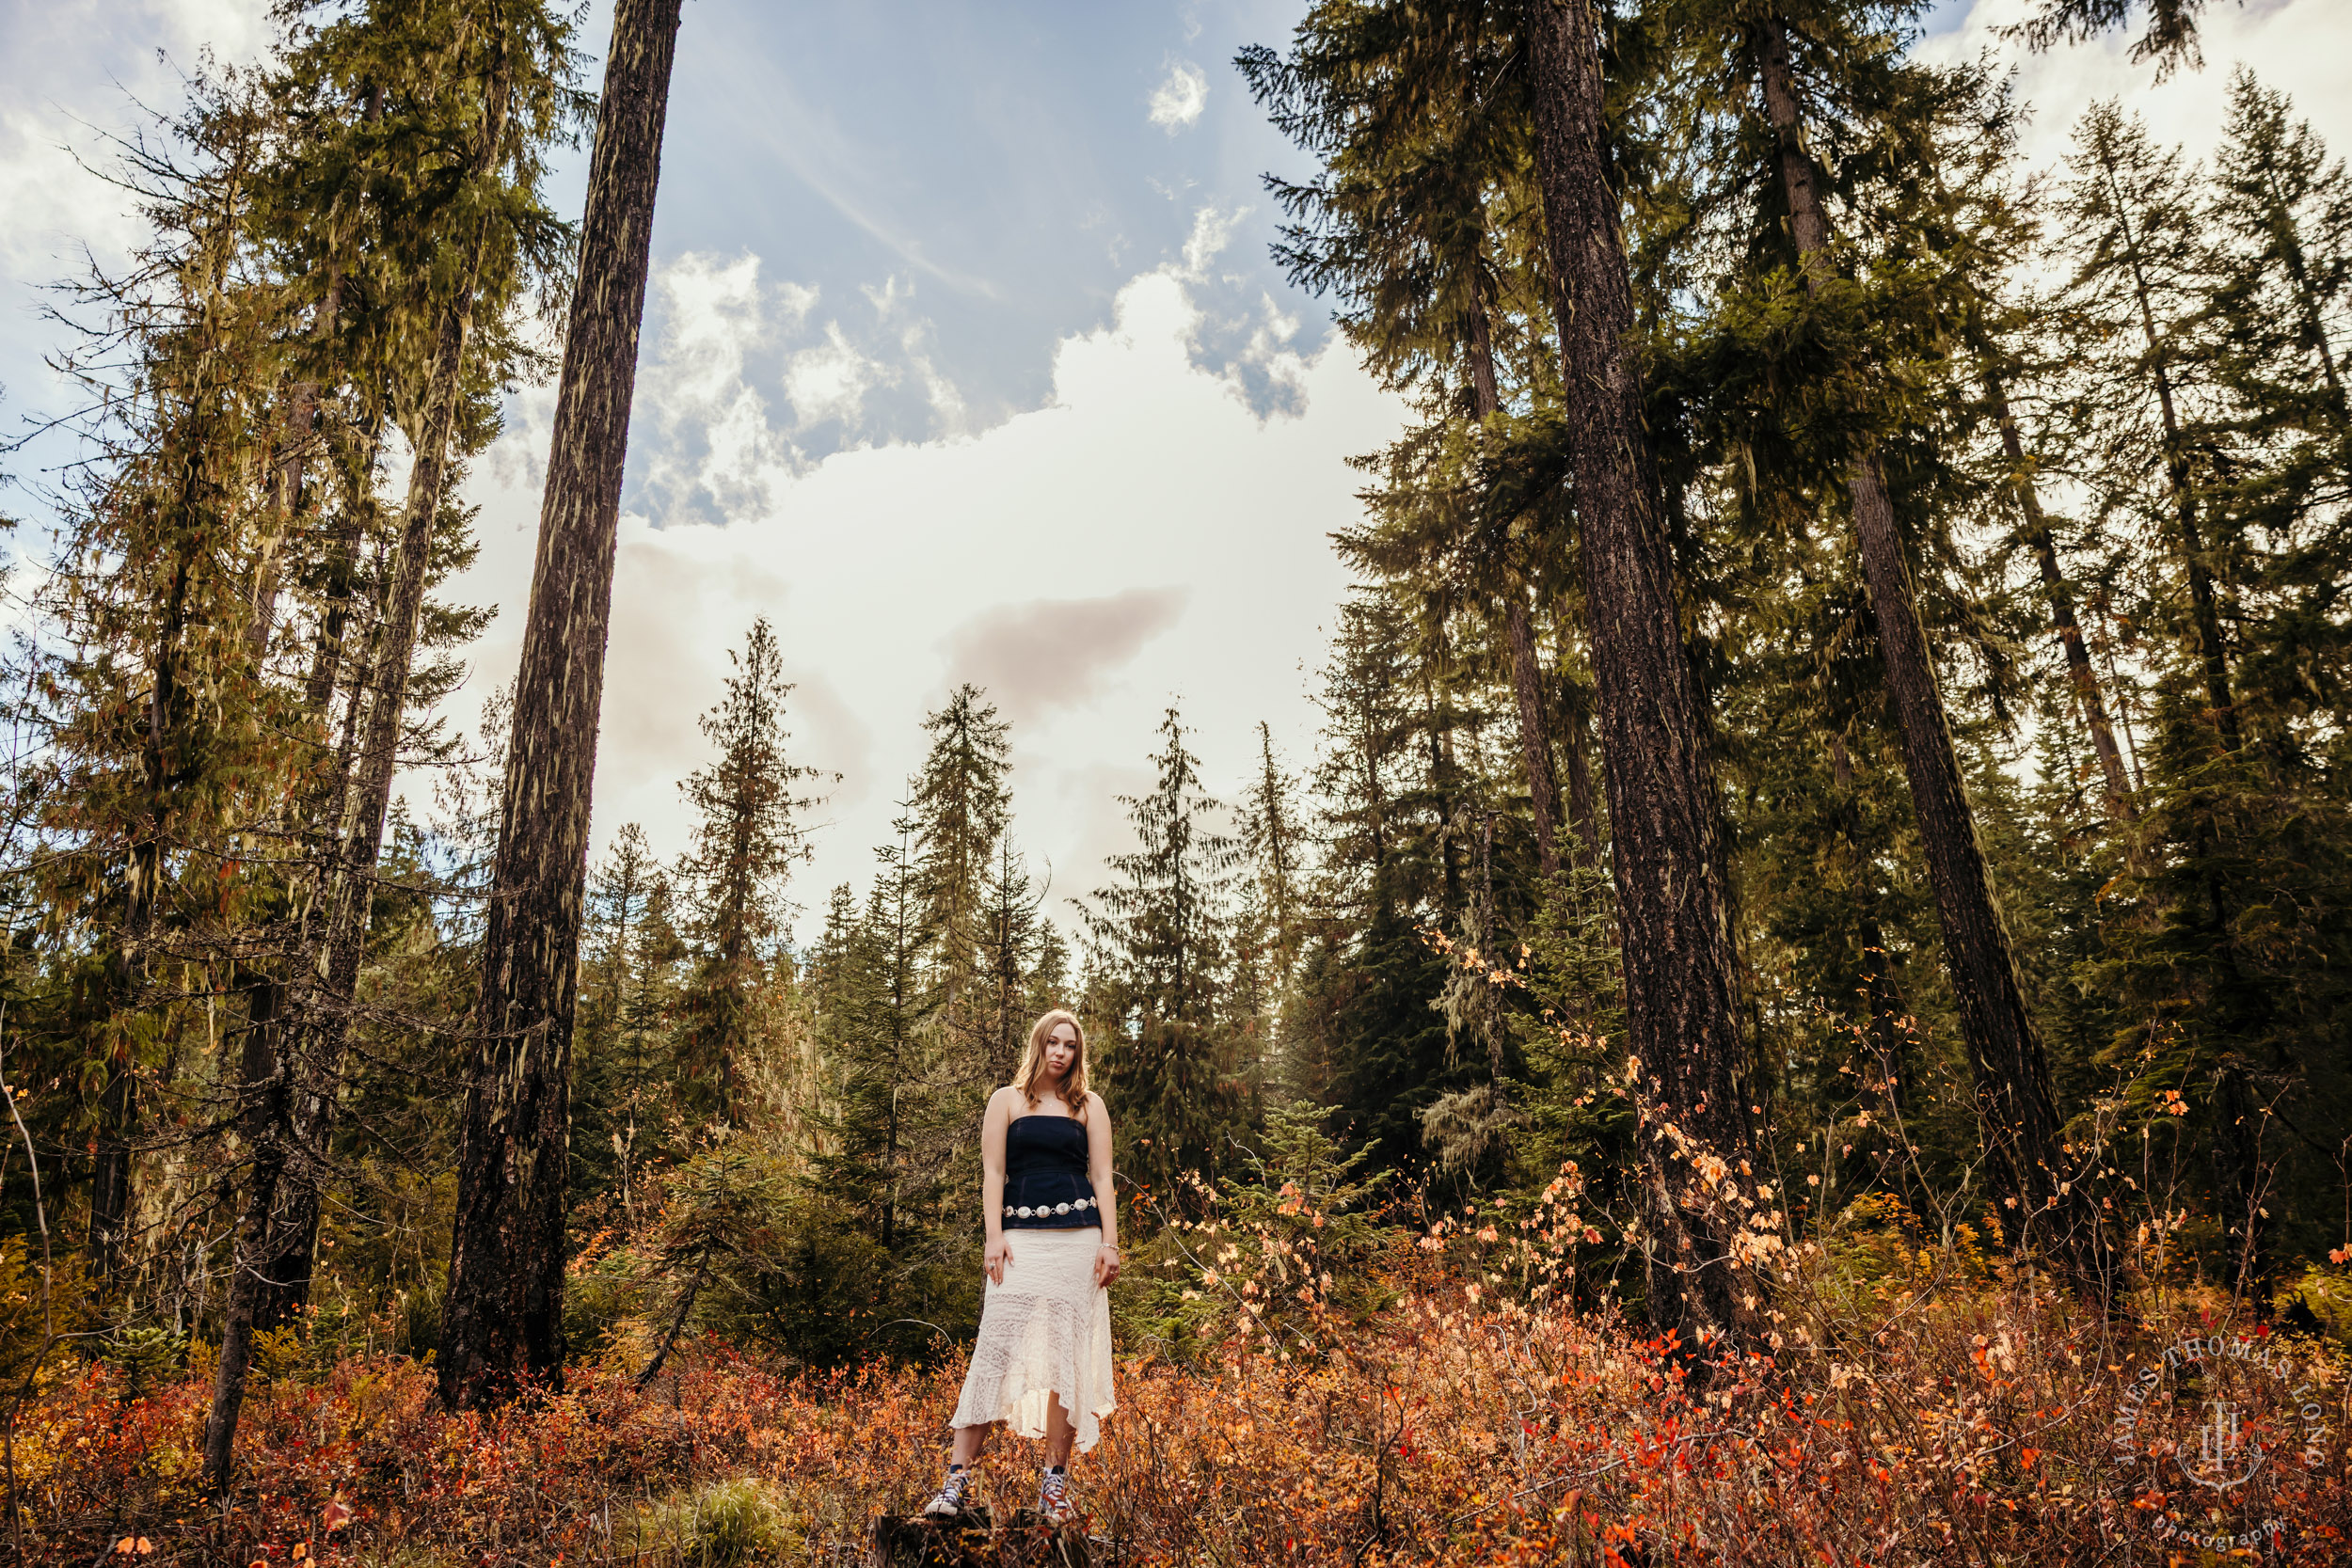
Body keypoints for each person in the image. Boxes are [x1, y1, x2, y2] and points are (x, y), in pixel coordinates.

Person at [922, 1009, 1120, 1524]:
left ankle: (1054, 1485)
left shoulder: (1089, 1107)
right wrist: (993, 1237)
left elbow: (1102, 1176)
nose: (1061, 1052)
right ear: (1038, 1045)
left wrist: (1111, 1243)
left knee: (1066, 1361)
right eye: (1053, 1042)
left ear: (1078, 1053)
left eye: (1070, 1045)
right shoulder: (1006, 1101)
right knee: (994, 1351)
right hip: (1019, 1243)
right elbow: (992, 1173)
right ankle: (955, 1481)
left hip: (1079, 1243)